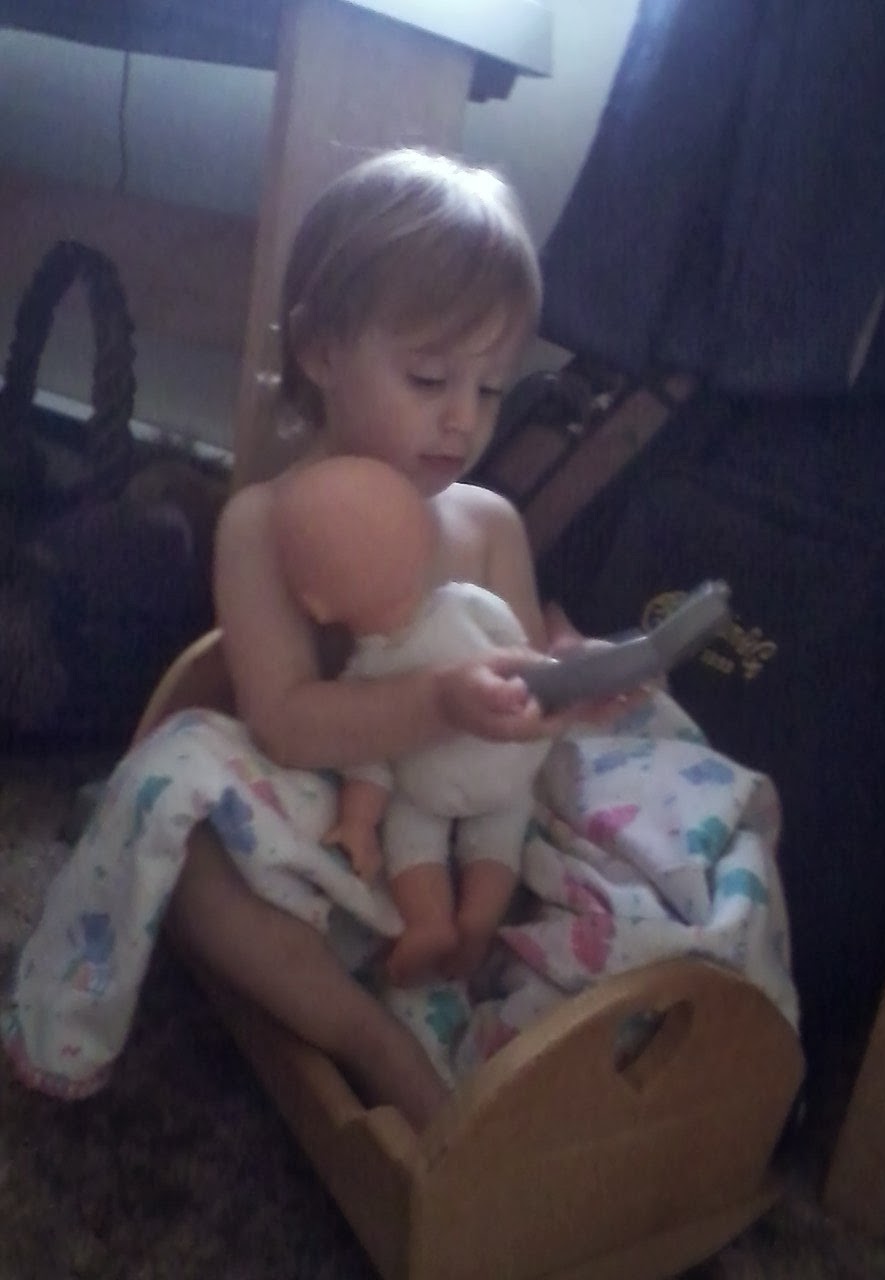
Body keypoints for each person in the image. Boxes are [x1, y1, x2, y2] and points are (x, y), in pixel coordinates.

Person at [165, 147, 614, 1131]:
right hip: (332, 834)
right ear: (321, 351)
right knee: (181, 838)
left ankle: (495, 973)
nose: (462, 419)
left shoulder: (486, 521)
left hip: (469, 832)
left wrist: (569, 677)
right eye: (429, 376)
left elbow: (523, 683)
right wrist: (438, 699)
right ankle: (370, 1039)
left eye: (490, 389)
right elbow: (283, 722)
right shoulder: (263, 523)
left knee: (627, 815)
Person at [272, 454, 553, 987]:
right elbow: (522, 652)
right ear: (425, 545)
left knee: (409, 837)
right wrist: (547, 681)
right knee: (499, 831)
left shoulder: (362, 675)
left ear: (316, 605)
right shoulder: (466, 604)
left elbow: (369, 758)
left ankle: (430, 921)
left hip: (436, 784)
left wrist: (358, 824)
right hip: (508, 765)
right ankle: (476, 920)